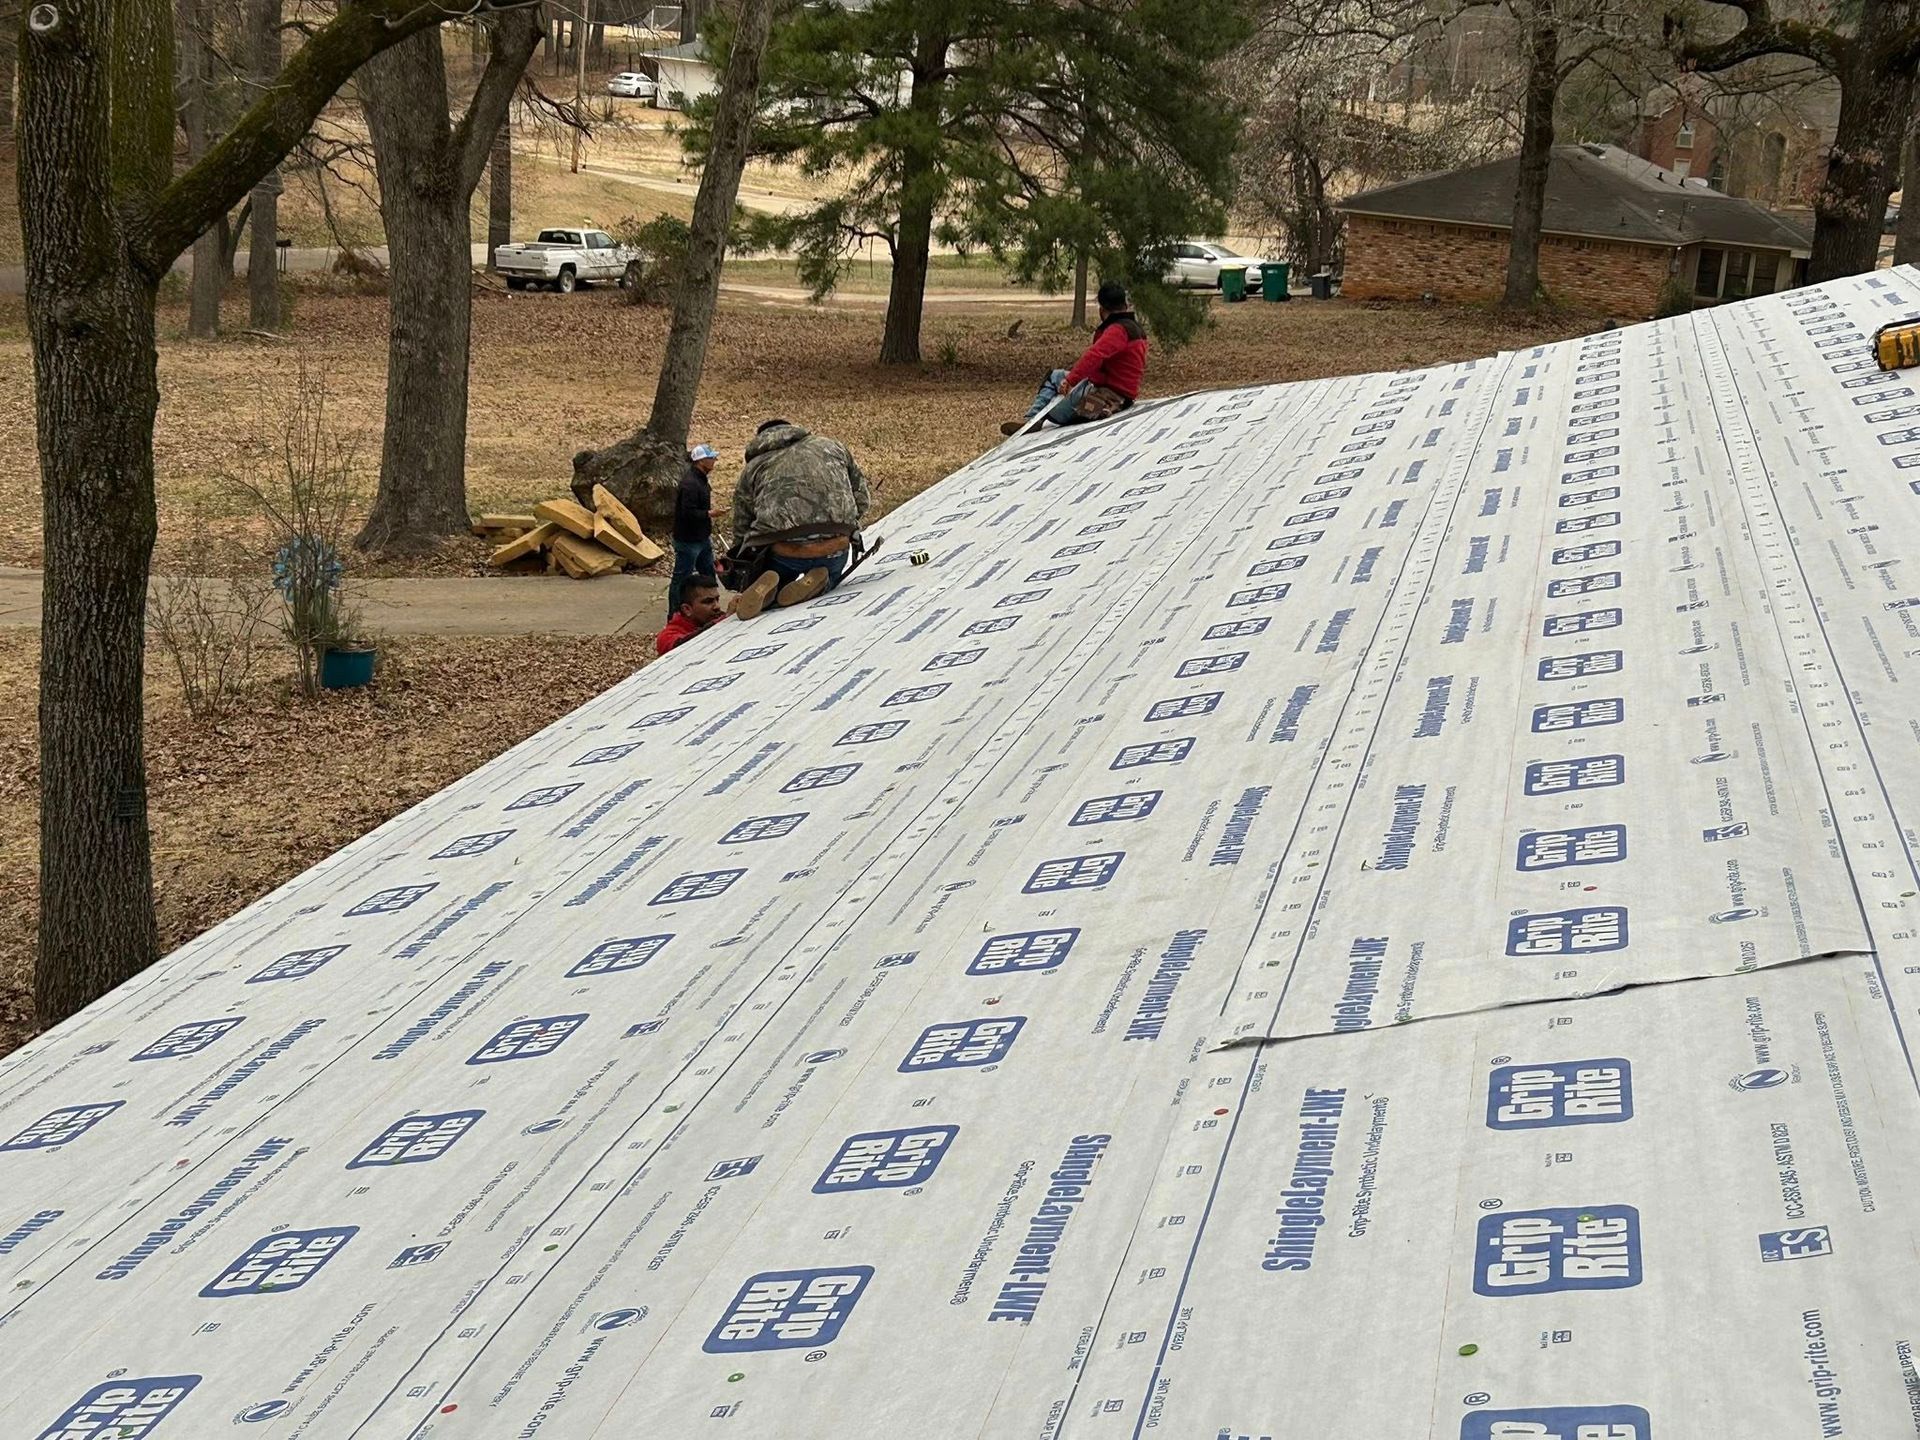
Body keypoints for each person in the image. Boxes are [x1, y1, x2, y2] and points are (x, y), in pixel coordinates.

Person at [726, 419, 872, 620]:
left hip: (784, 553)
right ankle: (820, 584)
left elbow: (742, 525)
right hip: (834, 547)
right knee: (831, 576)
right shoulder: (832, 447)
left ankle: (771, 591)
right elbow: (862, 499)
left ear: (759, 440)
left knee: (772, 578)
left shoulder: (753, 468)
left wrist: (743, 565)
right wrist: (846, 524)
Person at [1002, 280, 1148, 436]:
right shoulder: (1136, 330)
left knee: (1054, 388)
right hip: (1124, 396)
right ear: (1124, 305)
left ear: (1102, 309)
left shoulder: (1117, 330)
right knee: (1058, 375)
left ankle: (1032, 419)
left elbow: (1095, 355)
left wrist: (1071, 380)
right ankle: (1038, 418)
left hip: (1108, 393)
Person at [670, 443, 721, 618]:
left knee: (708, 575)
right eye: (711, 458)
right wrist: (709, 514)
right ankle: (675, 614)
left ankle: (711, 609)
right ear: (701, 461)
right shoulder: (690, 484)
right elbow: (687, 512)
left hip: (702, 538)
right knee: (682, 579)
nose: (715, 460)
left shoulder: (700, 479)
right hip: (688, 540)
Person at [656, 573, 725, 655]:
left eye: (717, 600)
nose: (717, 606)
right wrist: (722, 621)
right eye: (708, 602)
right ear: (687, 609)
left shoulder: (715, 618)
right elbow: (685, 646)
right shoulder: (667, 637)